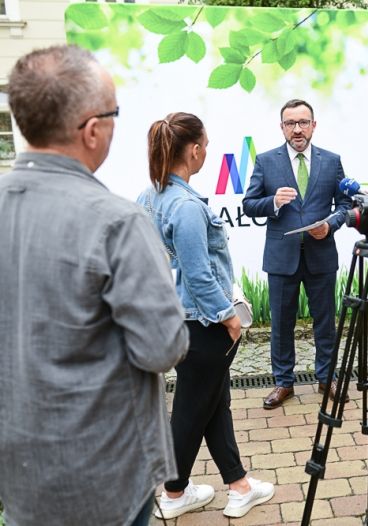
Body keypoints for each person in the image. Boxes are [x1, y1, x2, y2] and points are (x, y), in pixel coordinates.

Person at [0, 45, 189, 526]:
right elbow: (162, 347)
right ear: (91, 130)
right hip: (101, 473)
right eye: (115, 113)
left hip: (18, 467)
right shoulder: (117, 222)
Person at [138, 113, 275, 519]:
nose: (208, 152)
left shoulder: (150, 197)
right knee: (191, 410)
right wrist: (228, 318)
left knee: (214, 403)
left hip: (174, 319)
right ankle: (174, 493)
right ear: (194, 150)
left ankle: (238, 486)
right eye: (207, 146)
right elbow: (198, 275)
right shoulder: (185, 207)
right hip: (203, 325)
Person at [242, 99, 352, 409]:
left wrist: (330, 226)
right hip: (281, 257)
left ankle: (326, 378)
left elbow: (345, 205)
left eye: (303, 122)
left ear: (314, 125)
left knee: (325, 322)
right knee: (281, 324)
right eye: (291, 123)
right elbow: (249, 205)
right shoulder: (266, 161)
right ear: (282, 128)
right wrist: (274, 202)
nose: (298, 129)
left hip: (321, 255)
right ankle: (283, 382)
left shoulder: (332, 161)